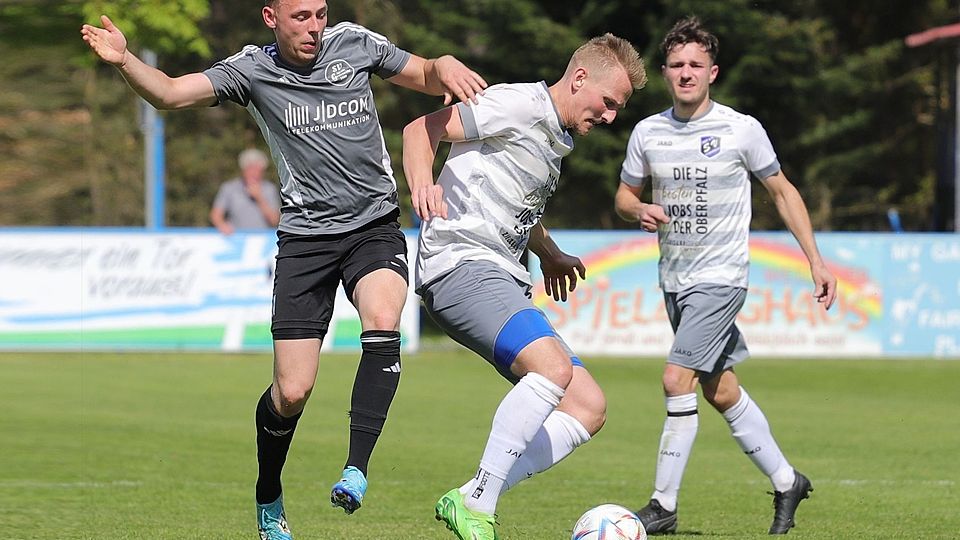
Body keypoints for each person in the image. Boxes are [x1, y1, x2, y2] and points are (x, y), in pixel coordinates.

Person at [81, 2, 487, 539]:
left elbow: (425, 71)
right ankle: (268, 490)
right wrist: (126, 60)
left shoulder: (355, 44)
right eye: (301, 16)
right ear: (271, 18)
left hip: (373, 225)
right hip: (305, 242)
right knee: (292, 392)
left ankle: (356, 469)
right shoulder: (252, 70)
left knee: (383, 318)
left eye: (320, 13)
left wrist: (445, 63)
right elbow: (171, 93)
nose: (315, 27)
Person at [403, 34, 647, 540]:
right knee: (552, 369)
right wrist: (422, 185)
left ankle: (473, 494)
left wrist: (549, 252)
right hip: (460, 263)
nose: (610, 117)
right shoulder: (518, 104)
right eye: (608, 102)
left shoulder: (556, 135)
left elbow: (514, 201)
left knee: (588, 407)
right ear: (580, 78)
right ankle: (479, 506)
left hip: (500, 275)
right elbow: (418, 131)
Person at [615, 16, 837, 535]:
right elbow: (624, 196)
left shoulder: (741, 129)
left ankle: (662, 506)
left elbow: (783, 191)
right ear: (665, 73)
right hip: (674, 279)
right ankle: (787, 481)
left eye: (695, 65)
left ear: (712, 72)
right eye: (676, 65)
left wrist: (816, 260)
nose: (685, 73)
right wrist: (638, 209)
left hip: (722, 277)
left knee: (676, 378)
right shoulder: (648, 132)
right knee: (720, 389)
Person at [210, 148, 281, 234]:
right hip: (235, 239)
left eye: (257, 169)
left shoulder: (270, 189)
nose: (254, 173)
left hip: (263, 241)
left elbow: (274, 221)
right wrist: (222, 225)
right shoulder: (229, 188)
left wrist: (260, 198)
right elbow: (215, 215)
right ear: (243, 169)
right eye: (250, 168)